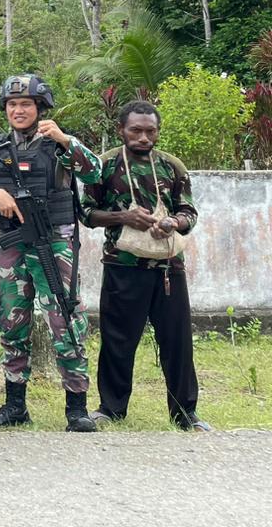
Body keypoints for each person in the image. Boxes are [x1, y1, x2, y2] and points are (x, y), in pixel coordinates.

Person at [0, 74, 102, 432]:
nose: (19, 110)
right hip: (12, 245)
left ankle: (76, 408)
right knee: (11, 320)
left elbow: (94, 172)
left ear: (40, 108)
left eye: (26, 104)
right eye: (12, 105)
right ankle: (15, 405)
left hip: (55, 242)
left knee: (65, 319)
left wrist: (65, 139)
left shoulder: (57, 145)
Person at [80, 100, 210, 431]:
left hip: (168, 268)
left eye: (150, 131)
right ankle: (111, 408)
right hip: (122, 266)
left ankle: (185, 413)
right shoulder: (104, 165)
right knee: (117, 340)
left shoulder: (172, 166)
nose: (143, 137)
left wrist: (173, 223)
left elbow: (189, 212)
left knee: (177, 340)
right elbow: (86, 212)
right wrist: (123, 216)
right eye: (135, 130)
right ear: (121, 129)